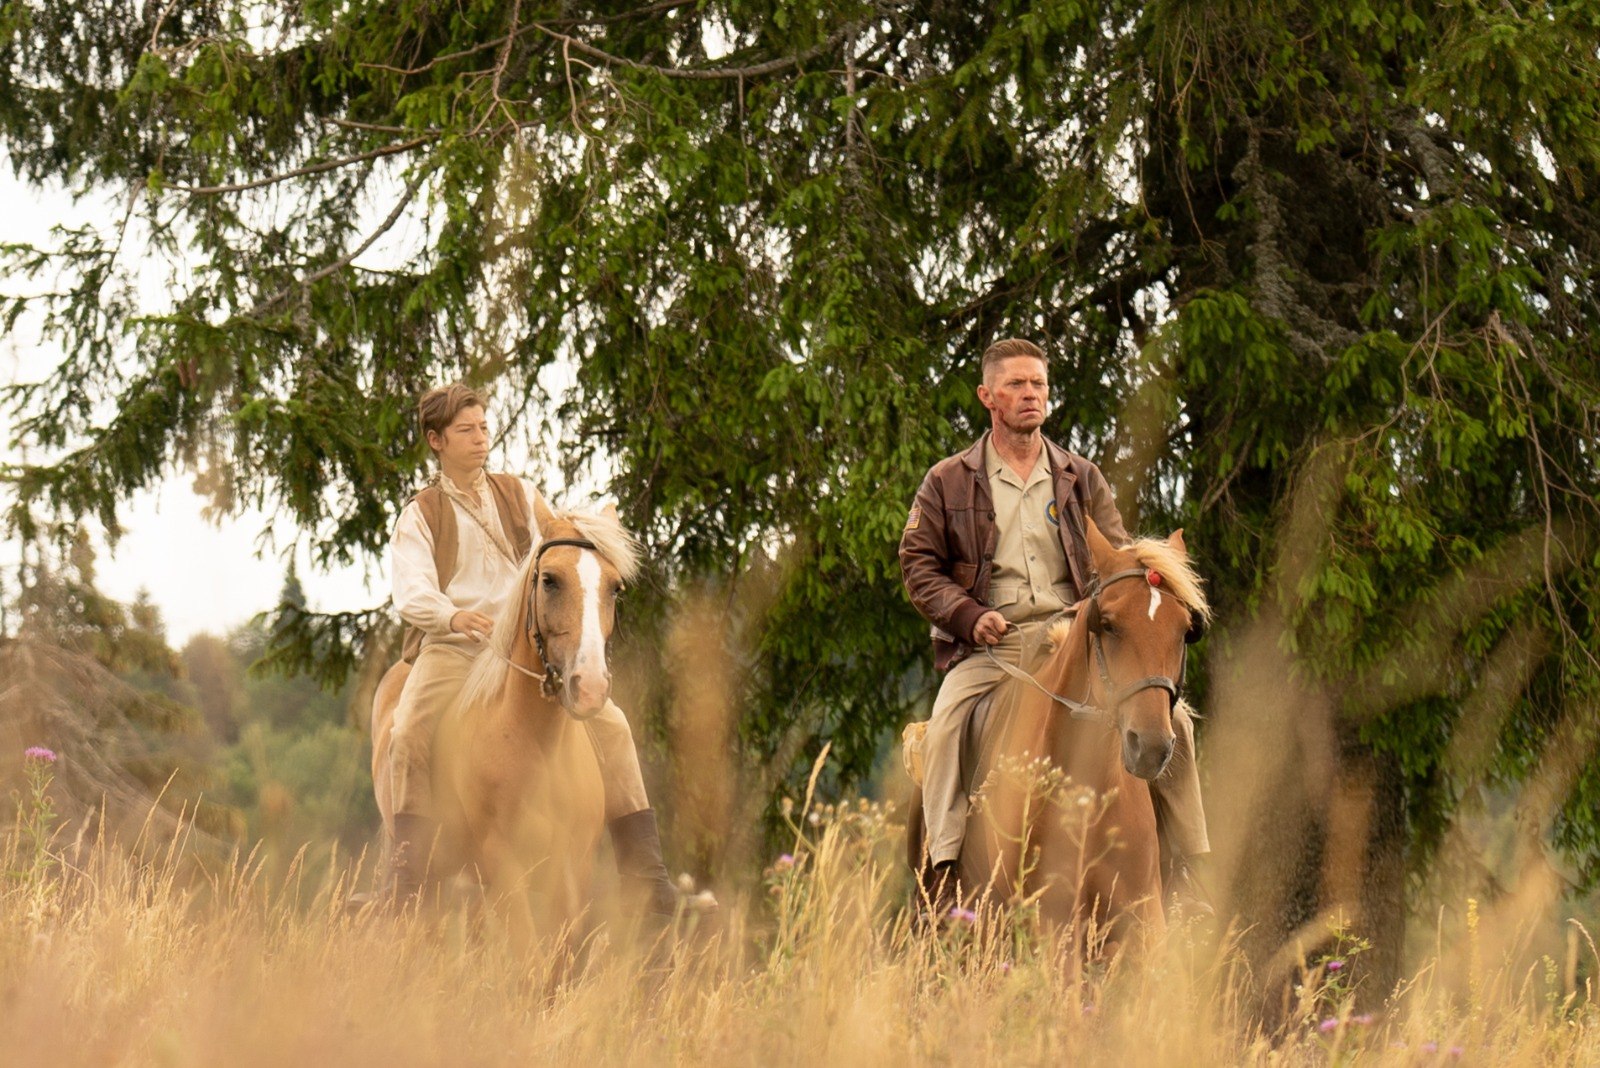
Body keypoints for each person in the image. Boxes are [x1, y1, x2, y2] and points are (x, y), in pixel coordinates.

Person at [898, 338, 1212, 917]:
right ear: (987, 396)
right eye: (1016, 384)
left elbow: (1115, 556)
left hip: (1076, 636)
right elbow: (919, 566)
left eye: (1038, 384)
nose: (1030, 395)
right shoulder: (947, 480)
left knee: (1177, 723)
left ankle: (1189, 869)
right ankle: (942, 872)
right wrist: (969, 615)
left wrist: (1125, 590)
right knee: (946, 726)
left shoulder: (1079, 476)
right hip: (992, 646)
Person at [385, 382, 677, 915]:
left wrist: (599, 528)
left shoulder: (519, 493)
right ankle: (406, 874)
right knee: (406, 730)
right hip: (456, 645)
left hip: (519, 647)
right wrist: (453, 616)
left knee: (612, 724)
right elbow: (412, 594)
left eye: (484, 427)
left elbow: (558, 537)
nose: (480, 439)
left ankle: (646, 870)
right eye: (465, 430)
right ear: (436, 441)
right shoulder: (420, 515)